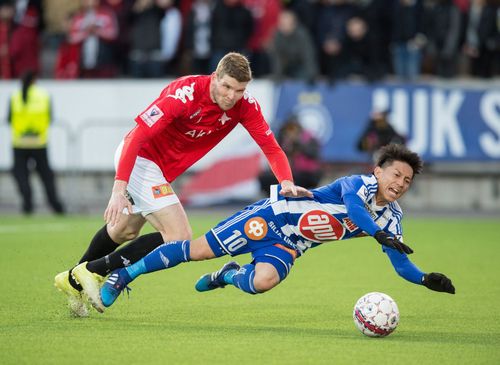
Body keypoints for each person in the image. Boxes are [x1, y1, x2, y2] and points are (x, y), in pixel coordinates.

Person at [54, 52, 310, 317]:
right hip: (141, 160)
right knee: (179, 236)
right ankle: (92, 272)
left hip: (160, 171)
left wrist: (286, 181)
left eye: (239, 90)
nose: (232, 96)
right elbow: (137, 137)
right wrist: (118, 189)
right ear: (215, 77)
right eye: (226, 87)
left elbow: (271, 147)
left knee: (124, 231)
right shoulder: (184, 95)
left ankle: (73, 280)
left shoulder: (245, 106)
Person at [95, 144, 455, 311]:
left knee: (261, 282)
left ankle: (228, 276)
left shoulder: (392, 219)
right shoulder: (358, 185)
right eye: (396, 174)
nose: (400, 183)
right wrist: (378, 234)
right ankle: (124, 275)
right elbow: (355, 211)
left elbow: (399, 262)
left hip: (290, 244)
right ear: (379, 171)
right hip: (271, 217)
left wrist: (423, 278)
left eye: (407, 181)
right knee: (194, 250)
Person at [8, 70, 65, 215]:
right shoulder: (44, 96)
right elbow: (50, 118)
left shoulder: (15, 97)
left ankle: (27, 204)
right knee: (46, 177)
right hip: (39, 143)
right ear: (35, 79)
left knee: (21, 175)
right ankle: (56, 206)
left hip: (19, 143)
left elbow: (9, 119)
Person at [259, 115, 322, 192]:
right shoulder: (284, 140)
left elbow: (313, 154)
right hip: (290, 173)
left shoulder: (310, 139)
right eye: (289, 129)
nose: (291, 132)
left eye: (294, 128)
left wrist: (298, 144)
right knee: (265, 178)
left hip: (306, 173)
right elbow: (277, 156)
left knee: (300, 179)